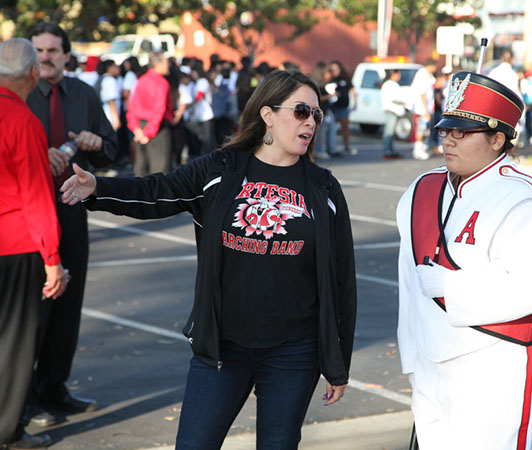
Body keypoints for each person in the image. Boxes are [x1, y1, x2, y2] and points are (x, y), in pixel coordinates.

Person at [60, 69, 358, 449]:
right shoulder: (221, 169)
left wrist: (338, 363)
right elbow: (158, 191)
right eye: (301, 110)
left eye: (316, 114)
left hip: (293, 350)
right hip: (222, 346)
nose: (311, 122)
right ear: (268, 114)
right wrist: (98, 188)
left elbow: (342, 281)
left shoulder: (323, 188)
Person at [397, 70, 532, 449]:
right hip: (429, 361)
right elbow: (408, 279)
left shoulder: (525, 200)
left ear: (497, 138)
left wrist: (450, 286)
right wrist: (412, 357)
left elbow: (530, 290)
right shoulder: (421, 190)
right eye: (446, 130)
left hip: (491, 365)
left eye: (462, 132)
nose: (449, 141)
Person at [24, 22, 117, 427]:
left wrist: (98, 146)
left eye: (52, 50)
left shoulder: (85, 94)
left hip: (72, 210)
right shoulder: (17, 95)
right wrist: (36, 155)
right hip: (26, 216)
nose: (45, 57)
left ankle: (54, 388)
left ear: (65, 54)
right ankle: (22, 400)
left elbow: (114, 149)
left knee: (67, 308)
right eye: (39, 50)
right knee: (31, 309)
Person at [0, 37, 67, 450]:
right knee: (14, 342)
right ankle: (7, 429)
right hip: (15, 243)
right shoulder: (23, 121)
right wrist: (53, 260)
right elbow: (36, 197)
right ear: (30, 74)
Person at [127, 52, 173, 177]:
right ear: (158, 64)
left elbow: (132, 108)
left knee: (141, 169)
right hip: (156, 129)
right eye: (165, 62)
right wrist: (147, 133)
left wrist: (137, 130)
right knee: (159, 171)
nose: (168, 65)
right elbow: (159, 110)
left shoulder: (141, 80)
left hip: (141, 127)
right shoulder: (161, 83)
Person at [328, 60, 357, 155]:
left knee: (345, 128)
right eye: (333, 69)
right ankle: (331, 147)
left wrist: (355, 103)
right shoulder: (330, 80)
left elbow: (353, 91)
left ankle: (347, 146)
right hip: (333, 107)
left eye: (336, 69)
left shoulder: (346, 79)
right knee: (331, 128)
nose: (335, 71)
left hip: (344, 107)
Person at [410, 60, 437, 160]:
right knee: (421, 130)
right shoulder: (422, 74)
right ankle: (418, 150)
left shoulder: (426, 74)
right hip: (422, 109)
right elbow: (422, 94)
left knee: (424, 130)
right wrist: (425, 110)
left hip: (425, 108)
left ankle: (422, 149)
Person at [380, 69, 405, 159]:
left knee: (391, 132)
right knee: (388, 132)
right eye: (398, 74)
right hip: (391, 110)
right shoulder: (389, 84)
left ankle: (391, 150)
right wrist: (403, 100)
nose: (399, 76)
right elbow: (393, 97)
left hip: (394, 110)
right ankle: (387, 151)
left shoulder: (391, 84)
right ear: (393, 74)